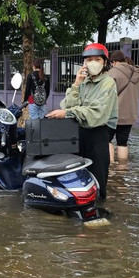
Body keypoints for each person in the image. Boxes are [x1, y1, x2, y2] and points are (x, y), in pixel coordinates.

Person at [46, 43, 118, 200]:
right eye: (89, 59)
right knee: (76, 173)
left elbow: (97, 113)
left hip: (98, 133)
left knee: (98, 176)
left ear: (105, 62)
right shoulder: (84, 82)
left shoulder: (108, 83)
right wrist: (77, 84)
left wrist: (68, 112)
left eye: (97, 59)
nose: (93, 62)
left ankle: (98, 207)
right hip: (79, 132)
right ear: (84, 63)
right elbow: (67, 104)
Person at [107, 50, 139, 163]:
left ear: (113, 62)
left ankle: (111, 166)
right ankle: (122, 168)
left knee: (107, 140)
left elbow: (107, 94)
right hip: (130, 114)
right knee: (122, 142)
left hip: (113, 113)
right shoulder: (136, 72)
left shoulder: (112, 73)